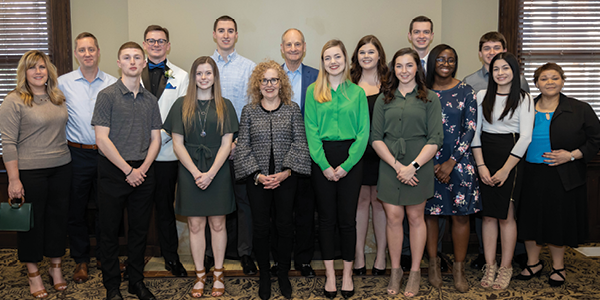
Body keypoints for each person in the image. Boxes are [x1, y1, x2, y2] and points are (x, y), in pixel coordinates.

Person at [516, 63, 600, 287]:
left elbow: (596, 139)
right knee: (530, 221)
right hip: (529, 173)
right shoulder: (525, 107)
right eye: (544, 78)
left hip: (562, 175)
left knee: (557, 222)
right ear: (536, 84)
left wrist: (572, 155)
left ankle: (558, 267)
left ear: (563, 81)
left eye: (555, 78)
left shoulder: (580, 108)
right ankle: (533, 263)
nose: (550, 82)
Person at [235, 60, 311, 300]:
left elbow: (300, 143)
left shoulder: (292, 109)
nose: (269, 85)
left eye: (274, 80)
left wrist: (286, 172)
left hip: (286, 178)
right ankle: (265, 275)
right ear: (258, 84)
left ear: (281, 83)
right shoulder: (249, 111)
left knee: (285, 226)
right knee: (260, 228)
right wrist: (257, 175)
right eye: (264, 80)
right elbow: (242, 146)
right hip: (257, 179)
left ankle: (283, 273)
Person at [92, 42, 162, 300]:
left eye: (137, 57)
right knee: (109, 231)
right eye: (127, 57)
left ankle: (136, 281)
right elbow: (101, 139)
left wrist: (141, 169)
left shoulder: (151, 100)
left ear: (144, 63)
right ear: (119, 63)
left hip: (143, 172)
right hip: (113, 171)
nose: (132, 61)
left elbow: (156, 139)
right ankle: (112, 286)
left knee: (140, 231)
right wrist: (127, 170)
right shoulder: (107, 96)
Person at [371, 47, 443, 298]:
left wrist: (412, 166)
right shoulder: (384, 98)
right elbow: (376, 138)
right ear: (393, 69)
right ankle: (395, 270)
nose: (404, 71)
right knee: (392, 218)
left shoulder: (430, 98)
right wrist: (397, 166)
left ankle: (414, 272)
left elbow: (436, 138)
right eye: (399, 66)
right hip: (390, 164)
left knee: (415, 218)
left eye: (409, 65)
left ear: (417, 68)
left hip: (419, 165)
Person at [163, 56, 238, 298]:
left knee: (218, 224)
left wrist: (211, 173)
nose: (204, 78)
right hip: (189, 170)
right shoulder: (181, 105)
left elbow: (227, 144)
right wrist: (197, 173)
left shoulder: (225, 105)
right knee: (195, 225)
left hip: (218, 169)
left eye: (208, 73)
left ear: (215, 77)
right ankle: (199, 275)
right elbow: (177, 143)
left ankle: (217, 273)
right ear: (193, 77)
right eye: (199, 73)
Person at [0, 50, 72, 299]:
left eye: (42, 67)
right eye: (32, 68)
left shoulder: (57, 97)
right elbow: (8, 143)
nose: (38, 72)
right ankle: (33, 273)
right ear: (24, 72)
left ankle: (56, 268)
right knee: (31, 225)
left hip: (62, 167)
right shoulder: (14, 101)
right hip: (30, 172)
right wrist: (13, 179)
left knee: (57, 221)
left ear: (48, 70)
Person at [304, 39, 369, 299]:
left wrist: (345, 166)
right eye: (328, 57)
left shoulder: (357, 93)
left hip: (351, 159)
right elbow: (311, 131)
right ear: (323, 62)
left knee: (347, 220)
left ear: (345, 60)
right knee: (327, 220)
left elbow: (363, 133)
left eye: (337, 57)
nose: (333, 62)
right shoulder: (312, 92)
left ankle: (347, 274)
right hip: (322, 158)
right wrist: (324, 165)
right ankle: (330, 275)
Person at [463, 31, 530, 270]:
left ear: (514, 71)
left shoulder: (523, 98)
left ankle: (506, 267)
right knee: (488, 215)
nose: (500, 73)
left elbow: (525, 138)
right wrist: (481, 165)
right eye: (496, 69)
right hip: (485, 155)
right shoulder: (481, 95)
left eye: (506, 69)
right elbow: (475, 133)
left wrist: (504, 170)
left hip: (510, 158)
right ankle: (490, 265)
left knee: (506, 215)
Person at [58, 32, 118, 284]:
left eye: (91, 49)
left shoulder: (114, 82)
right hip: (76, 153)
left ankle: (105, 256)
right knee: (76, 209)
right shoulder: (62, 83)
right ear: (75, 53)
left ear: (99, 51)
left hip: (106, 155)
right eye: (81, 50)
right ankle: (81, 260)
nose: (87, 54)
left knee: (107, 209)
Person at [423, 44, 481, 292]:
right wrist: (433, 161)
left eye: (451, 60)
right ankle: (434, 265)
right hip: (427, 162)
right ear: (432, 62)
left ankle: (459, 270)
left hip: (459, 163)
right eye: (441, 59)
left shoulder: (467, 91)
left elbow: (470, 128)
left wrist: (451, 161)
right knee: (430, 216)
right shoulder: (422, 91)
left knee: (460, 216)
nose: (446, 64)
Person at [210, 15, 258, 275]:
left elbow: (253, 107)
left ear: (237, 35)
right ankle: (208, 253)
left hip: (241, 142)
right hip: (210, 143)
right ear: (214, 34)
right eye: (221, 30)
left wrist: (240, 141)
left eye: (230, 31)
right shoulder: (205, 65)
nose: (226, 35)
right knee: (211, 201)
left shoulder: (249, 67)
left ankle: (245, 253)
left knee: (244, 202)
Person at [270, 28, 319, 278]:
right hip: (277, 155)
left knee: (305, 210)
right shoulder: (271, 76)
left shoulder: (317, 76)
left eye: (297, 44)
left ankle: (304, 260)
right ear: (281, 48)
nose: (293, 49)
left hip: (309, 154)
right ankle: (280, 260)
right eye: (288, 45)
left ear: (304, 47)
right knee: (279, 213)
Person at [141, 24, 189, 277]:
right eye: (151, 40)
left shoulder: (181, 76)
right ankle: (136, 260)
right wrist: (143, 140)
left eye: (161, 41)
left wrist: (157, 138)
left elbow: (180, 115)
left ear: (168, 45)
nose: (156, 44)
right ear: (145, 44)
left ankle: (171, 258)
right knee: (138, 211)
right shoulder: (132, 73)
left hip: (167, 155)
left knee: (165, 208)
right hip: (137, 157)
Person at [349, 34, 388, 276]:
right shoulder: (349, 84)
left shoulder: (389, 83)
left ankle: (381, 256)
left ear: (379, 56)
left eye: (371, 52)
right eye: (362, 52)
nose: (366, 56)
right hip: (358, 152)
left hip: (383, 151)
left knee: (380, 204)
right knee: (361, 202)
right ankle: (359, 255)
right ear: (357, 57)